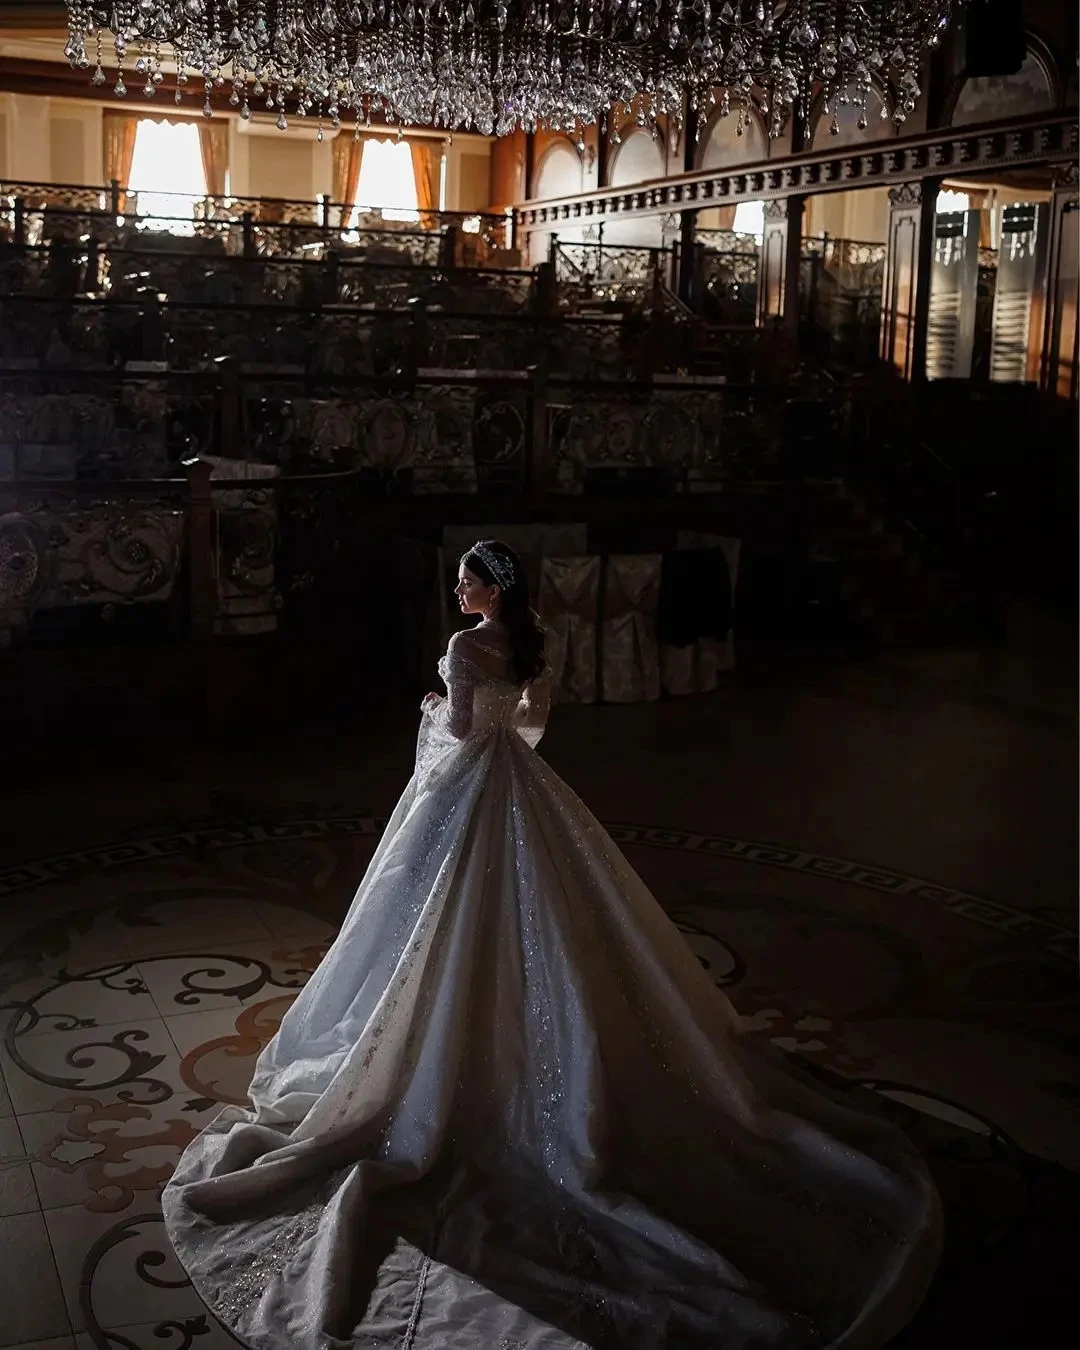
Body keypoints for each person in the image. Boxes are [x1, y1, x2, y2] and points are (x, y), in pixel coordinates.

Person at [163, 539, 941, 1350]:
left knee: (429, 917)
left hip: (467, 786)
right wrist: (485, 725)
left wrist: (432, 712)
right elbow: (529, 726)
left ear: (487, 586)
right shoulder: (534, 635)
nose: (456, 589)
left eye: (465, 579)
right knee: (552, 916)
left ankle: (437, 1054)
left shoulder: (466, 646)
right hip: (522, 787)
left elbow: (463, 731)